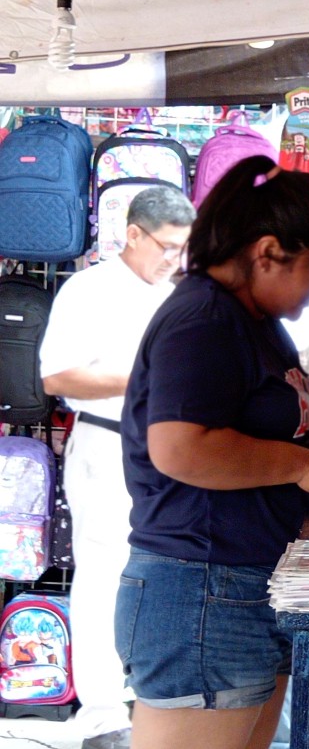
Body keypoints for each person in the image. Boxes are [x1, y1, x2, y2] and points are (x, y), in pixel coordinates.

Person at [115, 155, 309, 749]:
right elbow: (181, 448)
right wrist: (305, 466)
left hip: (243, 584)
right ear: (267, 252)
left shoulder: (255, 320)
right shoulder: (204, 319)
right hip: (200, 590)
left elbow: (269, 428)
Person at [39, 185, 197, 749]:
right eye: (167, 247)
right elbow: (57, 378)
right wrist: (145, 380)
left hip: (170, 452)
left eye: (184, 249)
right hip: (107, 444)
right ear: (132, 234)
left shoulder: (176, 294)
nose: (175, 260)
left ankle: (145, 700)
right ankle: (103, 716)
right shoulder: (88, 289)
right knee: (103, 576)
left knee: (156, 573)